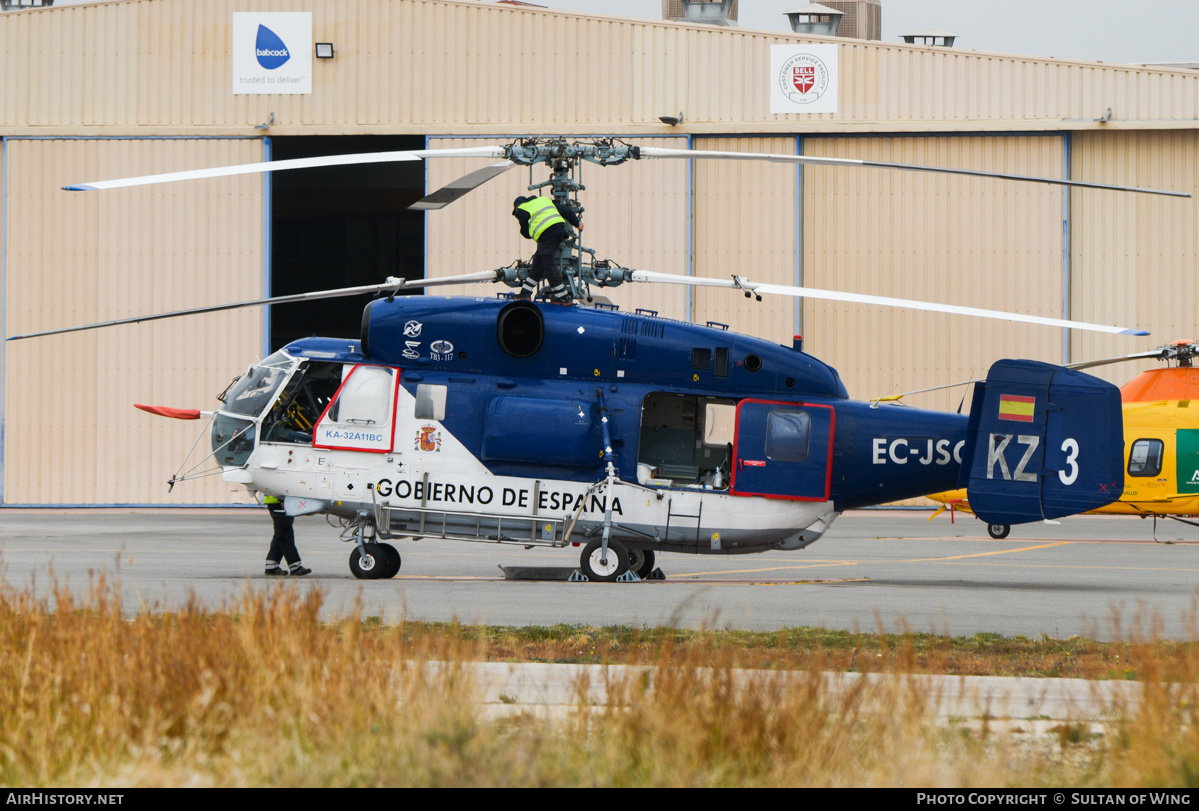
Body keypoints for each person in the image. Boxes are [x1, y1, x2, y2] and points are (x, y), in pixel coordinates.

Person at [512, 195, 581, 303]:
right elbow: (567, 211)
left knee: (549, 266)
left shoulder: (521, 209)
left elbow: (525, 232)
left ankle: (563, 297)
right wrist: (577, 223)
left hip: (546, 235)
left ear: (517, 206)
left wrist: (532, 231)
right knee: (538, 264)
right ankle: (525, 292)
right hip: (559, 232)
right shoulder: (544, 200)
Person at [263, 495, 311, 576]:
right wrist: (282, 499)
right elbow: (279, 486)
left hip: (276, 501)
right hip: (280, 502)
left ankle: (271, 566)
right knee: (285, 534)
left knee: (280, 533)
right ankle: (295, 566)